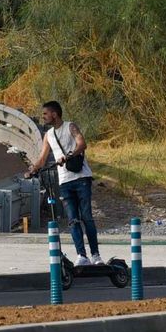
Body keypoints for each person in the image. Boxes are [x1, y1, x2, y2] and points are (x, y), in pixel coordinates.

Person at [24, 100, 106, 266]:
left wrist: (68, 156)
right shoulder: (48, 135)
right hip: (64, 182)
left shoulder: (70, 127)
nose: (44, 117)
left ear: (54, 114)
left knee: (87, 217)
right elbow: (42, 158)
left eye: (46, 114)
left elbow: (82, 144)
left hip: (81, 178)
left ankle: (96, 255)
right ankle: (82, 256)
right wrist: (32, 170)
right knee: (72, 220)